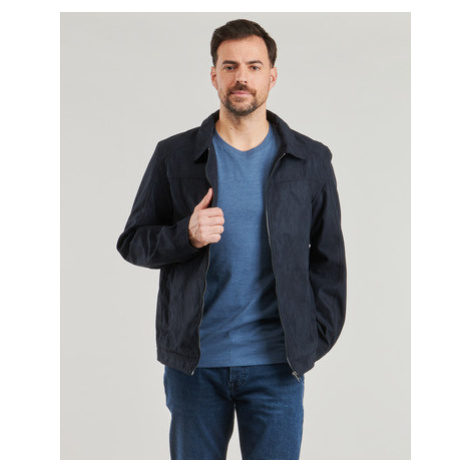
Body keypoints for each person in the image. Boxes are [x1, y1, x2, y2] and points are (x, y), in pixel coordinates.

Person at [116, 18, 347, 460]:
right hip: (195, 366)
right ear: (214, 76)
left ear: (272, 76)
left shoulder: (310, 160)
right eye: (230, 66)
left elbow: (329, 261)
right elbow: (133, 242)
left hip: (277, 367)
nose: (242, 77)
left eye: (254, 66)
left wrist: (310, 341)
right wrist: (185, 235)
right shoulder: (175, 155)